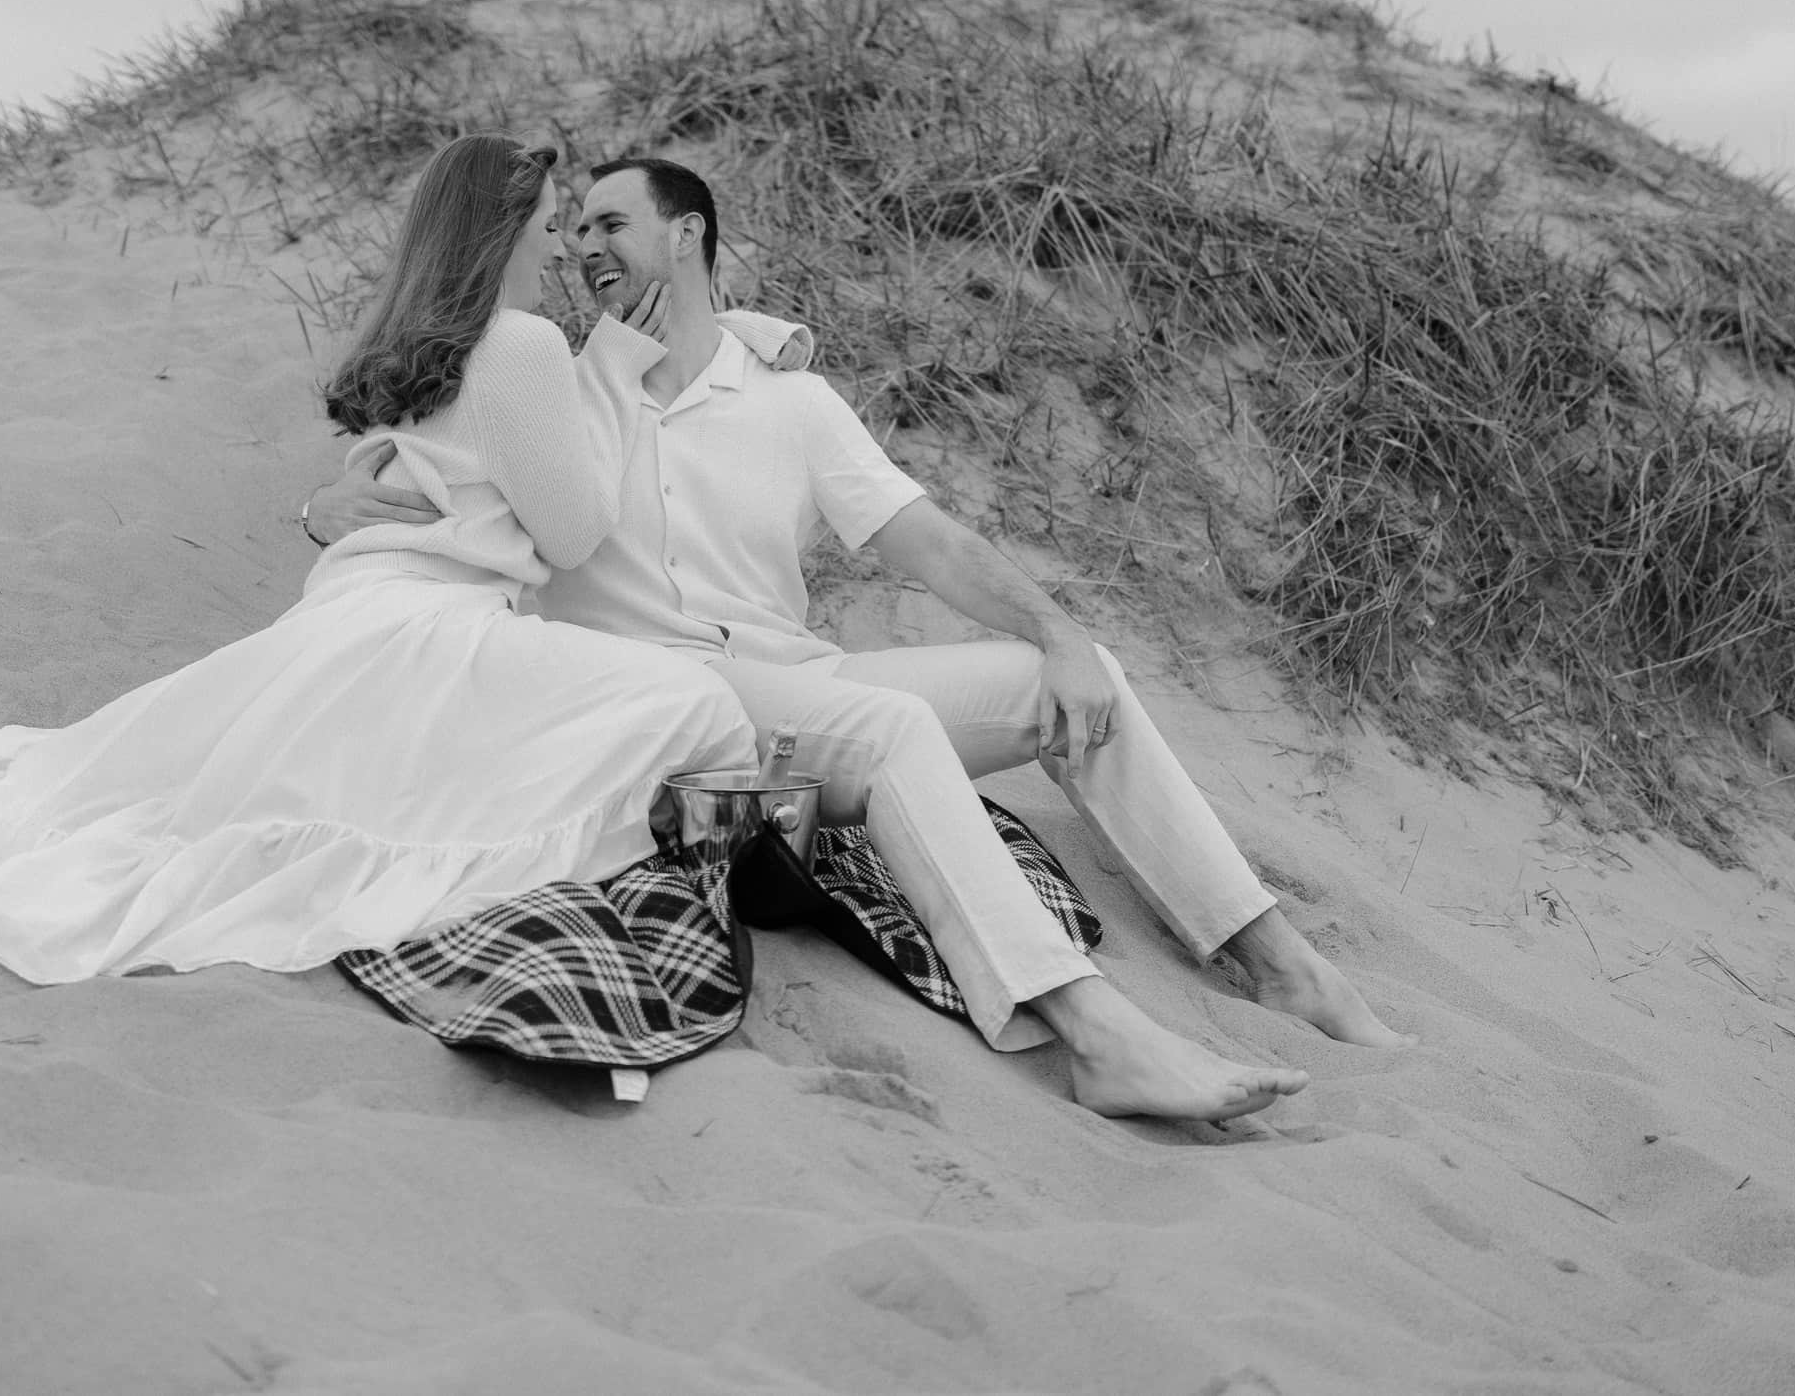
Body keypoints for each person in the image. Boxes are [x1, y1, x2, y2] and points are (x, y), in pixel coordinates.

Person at [307, 156, 1412, 1123]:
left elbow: (929, 543)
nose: (583, 245)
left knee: (1079, 680)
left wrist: (1060, 628)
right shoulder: (564, 383)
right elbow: (432, 472)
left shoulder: (789, 400)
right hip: (661, 709)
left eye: (610, 222)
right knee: (883, 728)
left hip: (801, 691)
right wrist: (328, 505)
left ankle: (1278, 960)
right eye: (574, 225)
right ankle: (1092, 1031)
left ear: (686, 234)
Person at [0, 136, 759, 983]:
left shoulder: (413, 345)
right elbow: (573, 535)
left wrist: (316, 510)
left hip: (345, 616)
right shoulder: (522, 343)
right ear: (504, 230)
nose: (563, 249)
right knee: (699, 704)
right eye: (551, 226)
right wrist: (611, 368)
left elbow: (391, 486)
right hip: (429, 633)